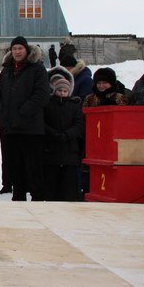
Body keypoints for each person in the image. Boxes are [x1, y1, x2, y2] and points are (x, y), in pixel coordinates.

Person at [0, 36, 51, 202]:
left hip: (31, 129)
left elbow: (42, 95)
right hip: (10, 128)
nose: (17, 52)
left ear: (26, 50)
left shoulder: (37, 69)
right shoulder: (6, 71)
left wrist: (22, 112)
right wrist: (2, 113)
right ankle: (18, 200)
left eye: (20, 48)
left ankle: (38, 200)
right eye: (14, 49)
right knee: (15, 168)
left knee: (33, 168)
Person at [43, 67, 84, 201]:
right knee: (52, 182)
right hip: (51, 148)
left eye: (65, 91)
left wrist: (67, 135)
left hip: (70, 149)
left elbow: (79, 125)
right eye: (59, 90)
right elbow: (43, 123)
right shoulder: (48, 105)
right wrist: (54, 134)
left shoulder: (75, 105)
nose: (62, 93)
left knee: (69, 184)